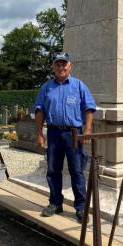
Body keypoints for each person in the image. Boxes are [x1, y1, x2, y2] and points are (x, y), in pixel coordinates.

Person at [34, 52, 97, 223]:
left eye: (64, 64)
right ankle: (55, 203)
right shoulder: (46, 87)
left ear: (70, 66)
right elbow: (39, 111)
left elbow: (89, 108)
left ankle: (81, 208)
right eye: (58, 64)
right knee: (53, 170)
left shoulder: (79, 86)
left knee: (77, 171)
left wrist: (88, 130)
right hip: (54, 133)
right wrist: (40, 134)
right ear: (54, 67)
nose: (61, 67)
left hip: (74, 134)